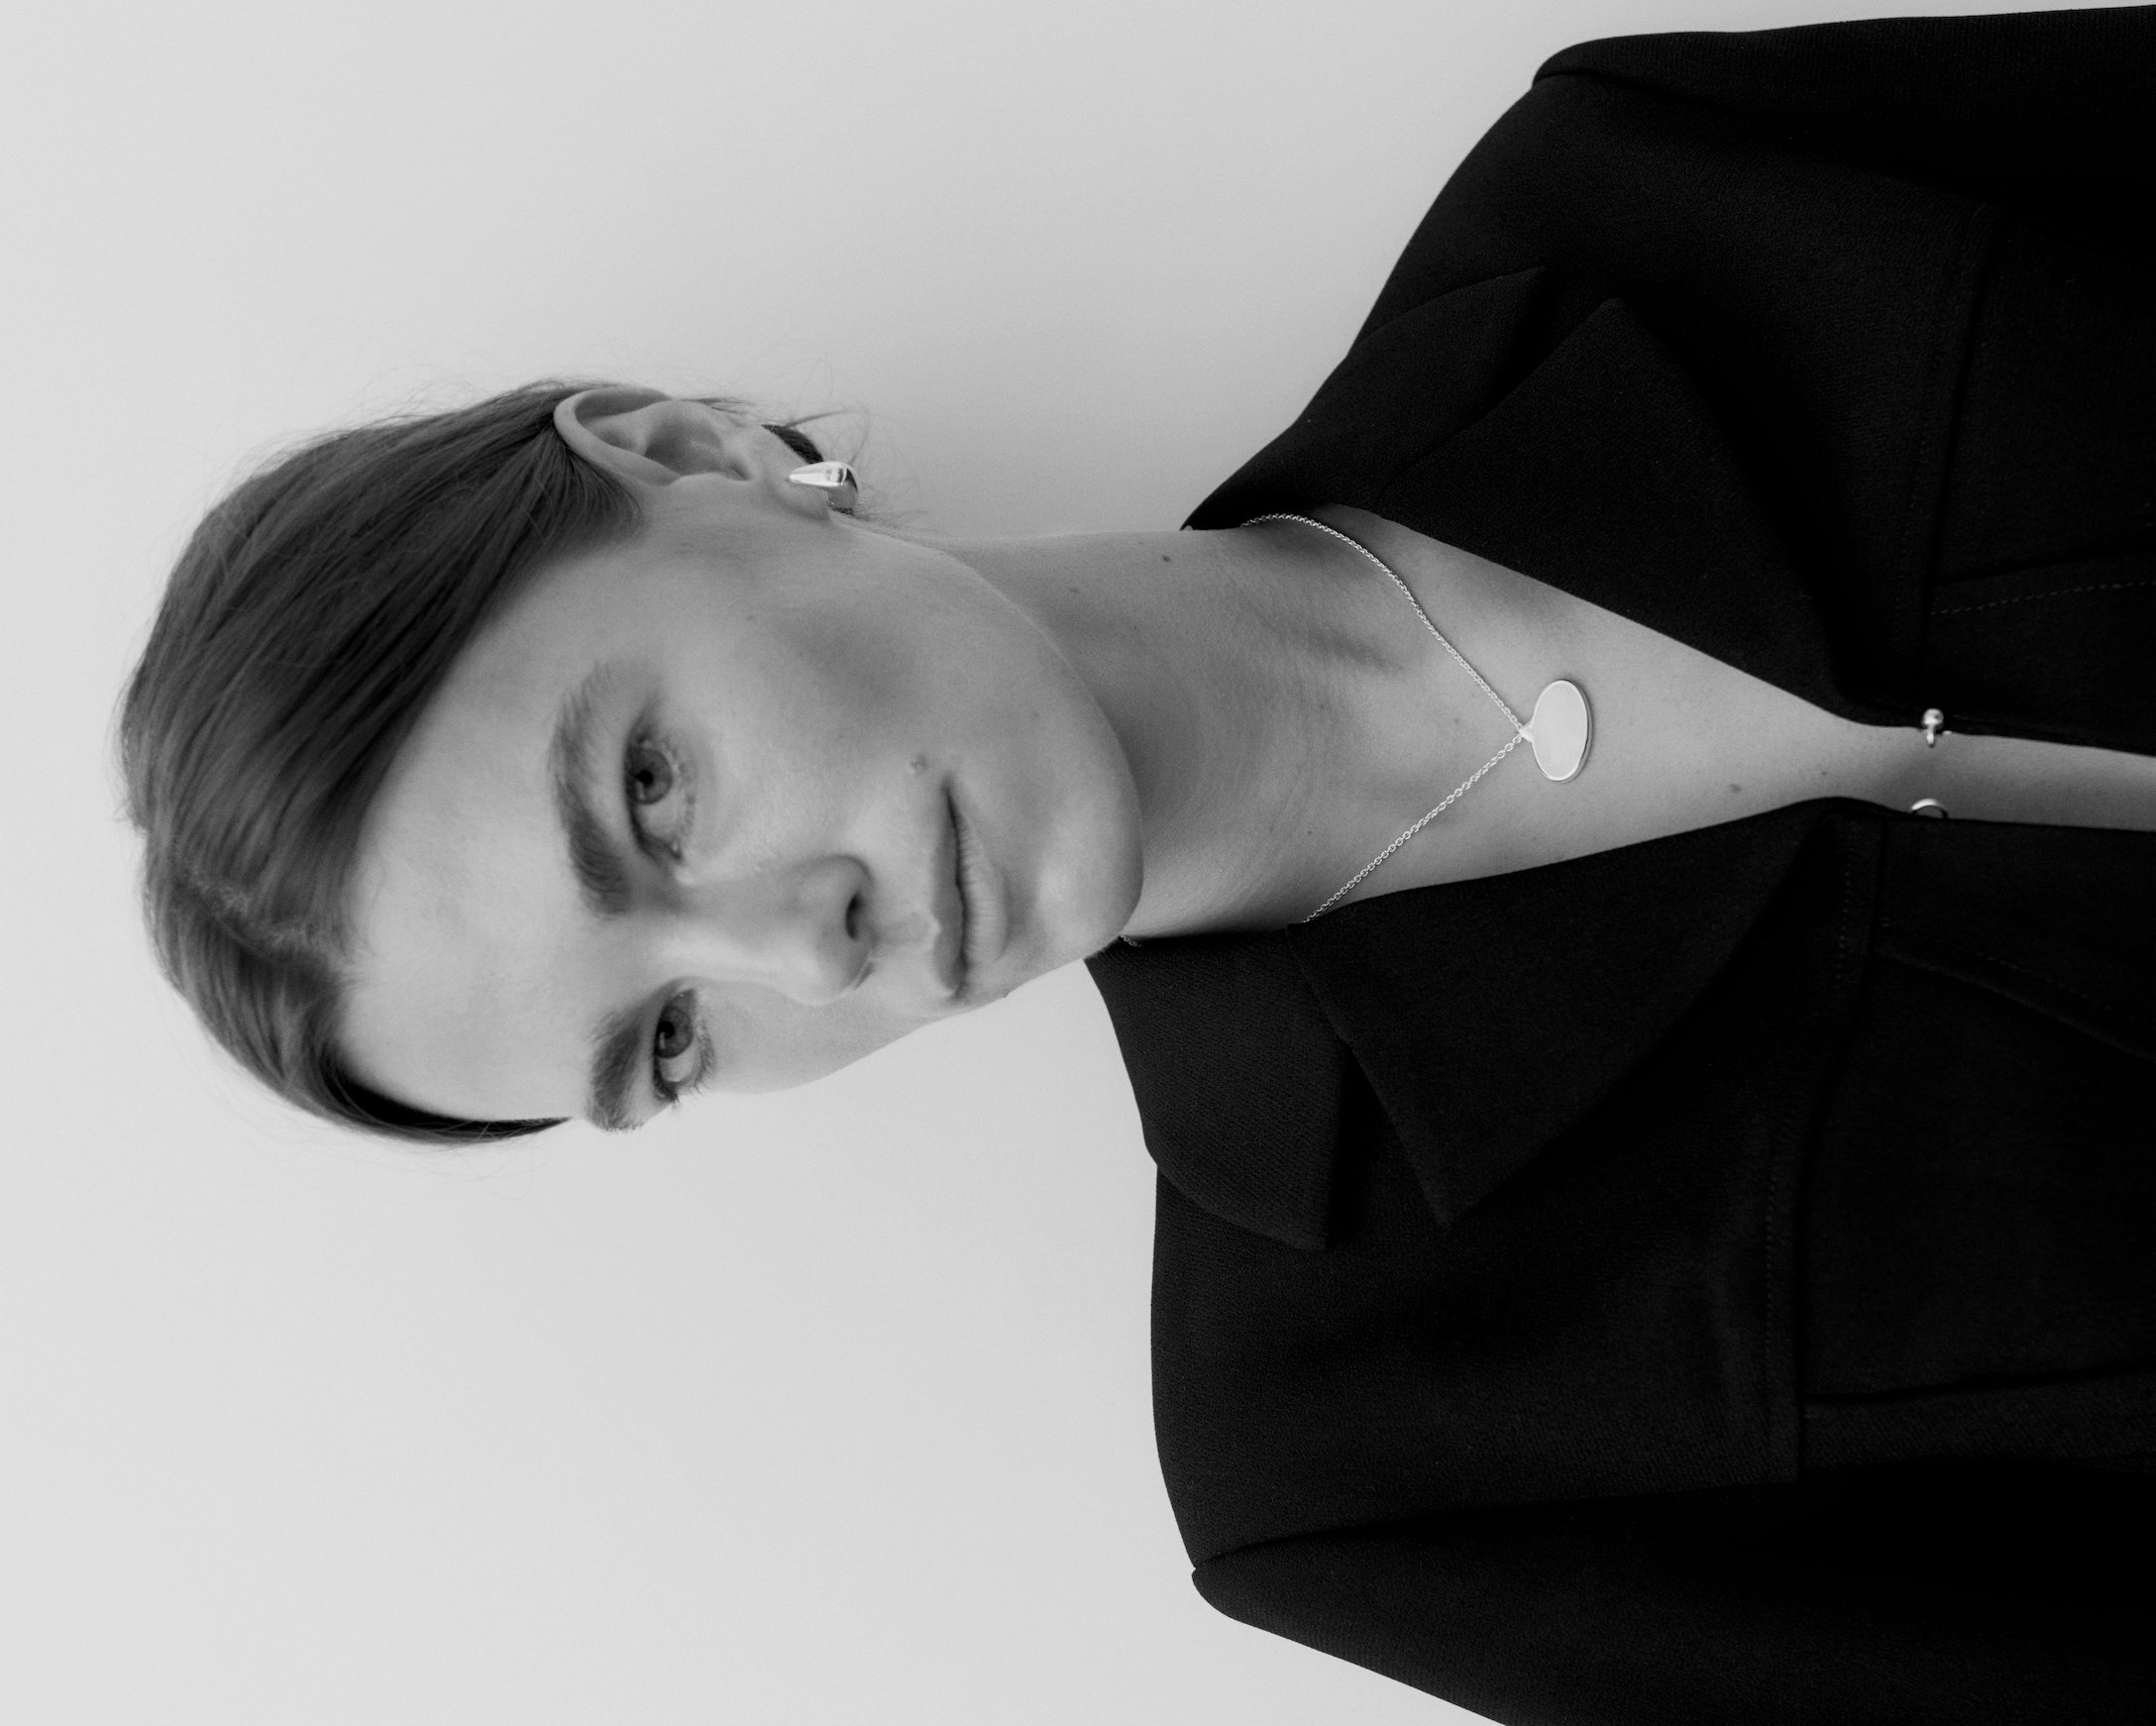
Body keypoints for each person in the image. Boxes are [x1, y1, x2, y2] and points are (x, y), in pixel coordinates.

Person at [118, 6, 2156, 1720]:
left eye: (652, 791)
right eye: (666, 1034)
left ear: (688, 459)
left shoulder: (1646, 186)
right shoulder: (1361, 1450)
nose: (802, 953)